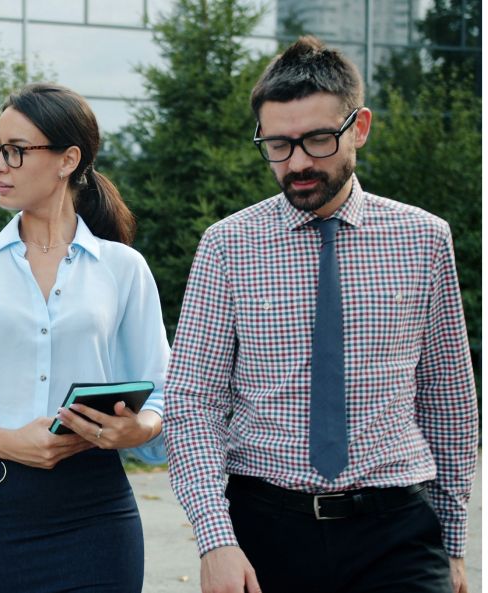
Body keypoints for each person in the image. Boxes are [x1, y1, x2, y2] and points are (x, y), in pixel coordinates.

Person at [164, 36, 479, 593]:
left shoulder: (424, 239)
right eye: (278, 146)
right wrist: (215, 539)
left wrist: (452, 544)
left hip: (398, 530)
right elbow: (193, 401)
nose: (298, 163)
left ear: (359, 127)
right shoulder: (227, 246)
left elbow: (448, 396)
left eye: (316, 139)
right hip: (264, 529)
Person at [0, 82, 170, 592]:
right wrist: (9, 443)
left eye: (16, 151)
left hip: (98, 510)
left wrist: (141, 428)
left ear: (68, 160)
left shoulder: (123, 268)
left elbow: (165, 390)